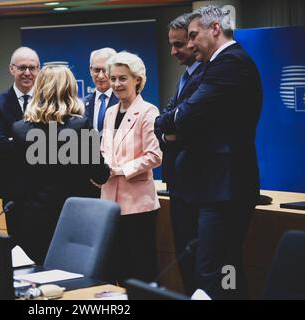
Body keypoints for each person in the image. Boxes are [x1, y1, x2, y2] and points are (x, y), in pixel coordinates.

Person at [155, 5, 263, 299]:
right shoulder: (217, 64)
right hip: (211, 186)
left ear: (214, 28)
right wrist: (171, 125)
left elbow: (185, 115)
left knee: (219, 270)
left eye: (192, 36)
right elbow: (177, 118)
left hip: (225, 188)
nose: (188, 45)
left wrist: (171, 125)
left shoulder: (230, 63)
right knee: (216, 269)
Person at [11, 65, 110, 263]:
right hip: (75, 218)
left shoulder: (19, 130)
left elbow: (18, 179)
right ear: (70, 91)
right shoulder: (80, 126)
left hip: (33, 218)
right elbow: (100, 174)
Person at [154, 13, 206, 296]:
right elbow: (163, 121)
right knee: (186, 260)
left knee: (202, 264)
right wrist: (168, 133)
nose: (173, 51)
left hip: (199, 186)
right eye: (171, 45)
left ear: (194, 40)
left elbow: (188, 127)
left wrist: (170, 130)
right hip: (178, 185)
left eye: (179, 45)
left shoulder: (206, 74)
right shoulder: (185, 76)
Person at [100, 51, 163, 282]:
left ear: (137, 79)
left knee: (140, 269)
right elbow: (105, 150)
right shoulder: (109, 113)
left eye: (122, 78)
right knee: (115, 266)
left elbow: (155, 156)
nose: (116, 84)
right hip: (108, 202)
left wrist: (119, 169)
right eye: (113, 78)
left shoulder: (148, 111)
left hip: (137, 205)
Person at [0, 47, 40, 238]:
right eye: (22, 68)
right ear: (12, 69)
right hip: (13, 189)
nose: (27, 73)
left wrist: (15, 139)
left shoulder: (47, 102)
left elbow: (53, 146)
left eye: (32, 68)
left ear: (39, 70)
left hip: (43, 188)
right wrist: (36, 143)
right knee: (16, 244)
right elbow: (1, 146)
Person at [84, 48, 119, 133]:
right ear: (90, 70)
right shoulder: (81, 105)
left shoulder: (125, 103)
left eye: (105, 70)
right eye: (96, 70)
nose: (100, 76)